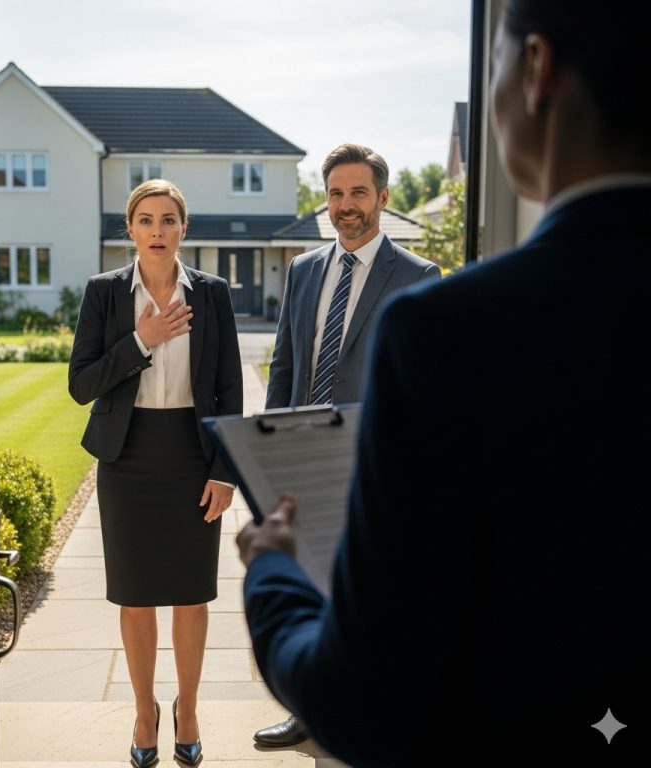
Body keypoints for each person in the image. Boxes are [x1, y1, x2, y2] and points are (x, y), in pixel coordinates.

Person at [236, 1, 651, 766]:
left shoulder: (447, 326)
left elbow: (363, 700)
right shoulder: (315, 277)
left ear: (534, 71)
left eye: (492, 65)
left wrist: (270, 570)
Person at [253, 142, 441, 748]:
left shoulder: (418, 277)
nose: (346, 205)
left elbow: (422, 386)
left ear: (383, 197)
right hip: (300, 456)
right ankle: (307, 710)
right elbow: (285, 366)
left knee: (367, 591)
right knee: (308, 587)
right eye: (335, 193)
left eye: (358, 192)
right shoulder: (304, 270)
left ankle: (375, 711)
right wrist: (267, 452)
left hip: (372, 465)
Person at [69, 179, 243, 768]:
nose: (158, 230)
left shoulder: (212, 294)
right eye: (146, 220)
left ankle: (187, 710)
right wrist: (140, 341)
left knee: (192, 595)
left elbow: (229, 389)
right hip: (128, 459)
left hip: (193, 457)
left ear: (184, 228)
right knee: (136, 595)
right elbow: (82, 384)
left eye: (169, 219)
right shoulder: (104, 293)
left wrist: (225, 472)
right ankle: (145, 712)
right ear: (130, 229)